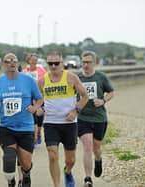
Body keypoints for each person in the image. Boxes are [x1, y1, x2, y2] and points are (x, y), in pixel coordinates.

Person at [0, 53, 43, 187]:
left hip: (26, 128)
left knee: (26, 163)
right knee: (9, 158)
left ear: (17, 63)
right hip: (7, 128)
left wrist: (35, 107)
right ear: (4, 64)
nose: (11, 63)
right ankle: (11, 181)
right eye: (8, 61)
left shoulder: (28, 80)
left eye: (14, 61)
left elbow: (39, 99)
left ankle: (26, 175)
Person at [37, 53, 88, 187]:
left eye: (56, 63)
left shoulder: (71, 77)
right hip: (50, 123)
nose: (53, 66)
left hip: (69, 124)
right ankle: (57, 184)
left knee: (70, 160)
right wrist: (40, 108)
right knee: (53, 155)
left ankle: (68, 171)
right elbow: (36, 99)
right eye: (50, 64)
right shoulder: (42, 81)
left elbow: (84, 96)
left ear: (62, 63)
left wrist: (75, 111)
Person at [77, 51, 114, 187]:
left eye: (88, 62)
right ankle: (88, 178)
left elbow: (111, 92)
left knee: (96, 148)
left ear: (94, 62)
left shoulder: (101, 77)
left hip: (99, 118)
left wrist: (103, 100)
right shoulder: (77, 78)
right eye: (83, 62)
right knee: (87, 145)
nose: (85, 65)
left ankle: (98, 160)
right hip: (83, 118)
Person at [22, 53, 47, 147]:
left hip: (40, 96)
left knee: (39, 119)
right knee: (33, 118)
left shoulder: (41, 70)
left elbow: (46, 82)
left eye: (36, 60)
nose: (34, 61)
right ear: (28, 60)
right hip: (29, 97)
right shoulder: (24, 71)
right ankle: (34, 139)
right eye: (32, 59)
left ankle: (39, 133)